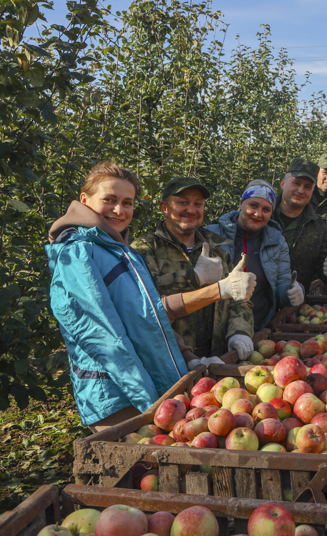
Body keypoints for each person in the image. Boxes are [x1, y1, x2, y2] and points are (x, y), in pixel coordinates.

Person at [47, 162, 256, 431]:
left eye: (127, 202)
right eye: (109, 200)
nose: (119, 210)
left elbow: (148, 314)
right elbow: (103, 338)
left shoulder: (118, 250)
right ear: (84, 199)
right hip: (115, 391)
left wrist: (186, 358)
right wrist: (151, 400)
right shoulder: (79, 254)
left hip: (155, 381)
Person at [133, 177, 256, 363]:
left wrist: (240, 332)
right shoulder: (144, 249)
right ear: (164, 207)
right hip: (168, 361)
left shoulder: (216, 250)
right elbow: (146, 302)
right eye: (183, 203)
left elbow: (238, 299)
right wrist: (194, 278)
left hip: (217, 358)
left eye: (197, 204)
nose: (191, 210)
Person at [207, 180, 304, 332]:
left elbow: (281, 285)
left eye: (266, 209)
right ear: (241, 204)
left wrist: (292, 291)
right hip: (213, 328)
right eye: (253, 205)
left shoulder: (277, 243)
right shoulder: (211, 235)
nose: (258, 214)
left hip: (256, 327)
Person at [276, 158, 327, 288]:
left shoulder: (320, 228)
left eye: (307, 186)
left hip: (295, 303)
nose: (301, 190)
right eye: (296, 183)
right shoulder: (262, 216)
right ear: (282, 183)